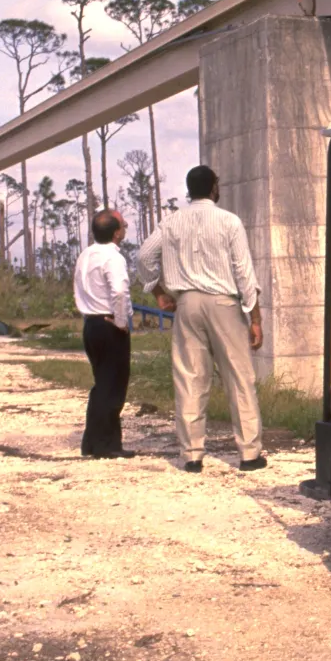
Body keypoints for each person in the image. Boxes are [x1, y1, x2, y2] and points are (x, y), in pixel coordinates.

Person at [137, 165, 266, 473]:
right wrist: (255, 317)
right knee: (239, 377)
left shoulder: (171, 222)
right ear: (213, 188)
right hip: (224, 303)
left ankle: (192, 455)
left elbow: (143, 257)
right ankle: (249, 454)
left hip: (187, 303)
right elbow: (243, 272)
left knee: (190, 378)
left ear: (188, 189)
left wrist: (158, 292)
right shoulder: (228, 222)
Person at [72, 209, 135, 459]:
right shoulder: (113, 257)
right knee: (113, 386)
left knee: (102, 384)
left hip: (91, 324)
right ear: (116, 232)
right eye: (123, 224)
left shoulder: (85, 255)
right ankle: (105, 445)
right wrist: (121, 322)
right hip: (109, 324)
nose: (126, 227)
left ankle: (93, 442)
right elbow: (119, 292)